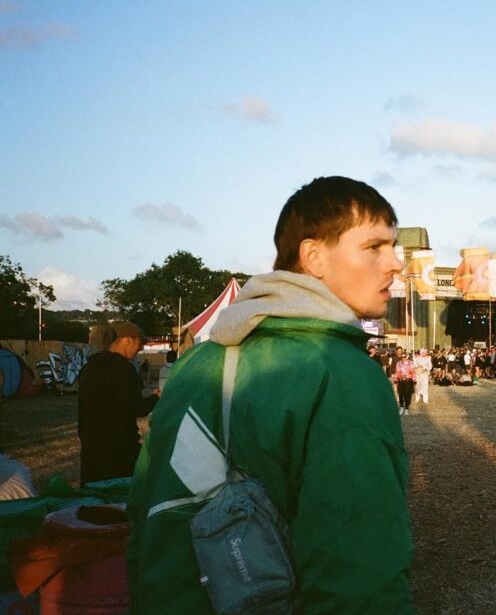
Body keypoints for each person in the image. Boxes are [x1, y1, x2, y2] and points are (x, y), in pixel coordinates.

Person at [127, 176, 413, 613]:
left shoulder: (194, 366)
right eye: (374, 247)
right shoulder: (342, 374)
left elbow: (145, 515)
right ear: (313, 255)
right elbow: (357, 570)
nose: (396, 264)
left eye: (393, 247)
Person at [77, 321, 158, 484]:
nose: (141, 348)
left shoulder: (87, 369)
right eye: (140, 343)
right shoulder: (125, 370)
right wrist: (156, 398)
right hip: (120, 451)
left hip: (91, 452)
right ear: (128, 339)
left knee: (95, 501)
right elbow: (136, 408)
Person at [393, 348, 416, 416]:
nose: (403, 358)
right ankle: (401, 407)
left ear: (407, 356)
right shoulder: (398, 363)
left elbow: (413, 372)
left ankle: (407, 408)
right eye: (402, 357)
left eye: (404, 357)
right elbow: (397, 371)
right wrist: (395, 379)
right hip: (401, 381)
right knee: (400, 394)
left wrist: (414, 380)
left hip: (408, 381)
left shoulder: (410, 363)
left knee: (407, 395)